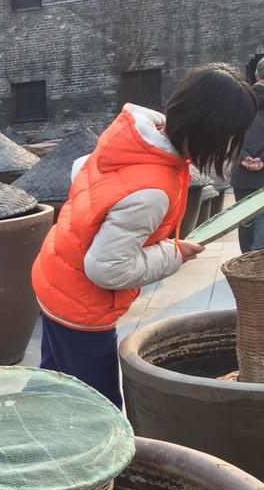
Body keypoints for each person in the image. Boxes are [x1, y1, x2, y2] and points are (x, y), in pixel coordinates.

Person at [32, 63, 256, 407]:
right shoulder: (152, 190)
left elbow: (84, 173)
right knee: (99, 406)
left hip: (55, 277)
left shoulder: (136, 138)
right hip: (81, 306)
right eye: (230, 137)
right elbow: (106, 269)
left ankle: (31, 424)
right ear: (209, 130)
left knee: (54, 383)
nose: (229, 148)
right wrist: (173, 254)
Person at [230, 57, 264, 252]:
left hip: (241, 176)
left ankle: (246, 264)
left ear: (256, 75)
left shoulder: (238, 101)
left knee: (246, 222)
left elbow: (227, 135)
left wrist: (243, 157)